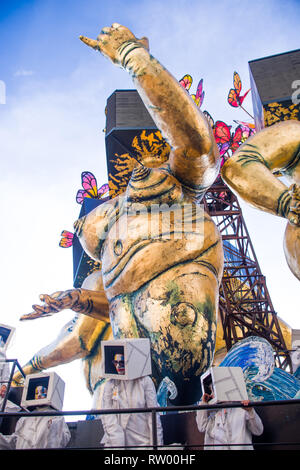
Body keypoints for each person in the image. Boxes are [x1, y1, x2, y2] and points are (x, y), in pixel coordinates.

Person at [100, 351, 163, 449]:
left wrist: (157, 447)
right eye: (115, 362)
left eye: (121, 363)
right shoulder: (110, 384)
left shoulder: (145, 381)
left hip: (143, 443)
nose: (118, 366)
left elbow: (154, 417)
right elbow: (108, 418)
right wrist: (117, 443)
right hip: (116, 444)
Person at [0, 385, 71, 450]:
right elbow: (15, 441)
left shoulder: (56, 416)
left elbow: (64, 438)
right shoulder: (24, 418)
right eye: (37, 393)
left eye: (42, 392)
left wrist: (52, 426)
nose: (39, 395)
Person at [196, 387, 263, 450]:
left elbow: (258, 431)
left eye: (214, 390)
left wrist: (250, 411)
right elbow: (202, 427)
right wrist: (203, 403)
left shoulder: (242, 409)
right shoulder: (213, 412)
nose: (212, 394)